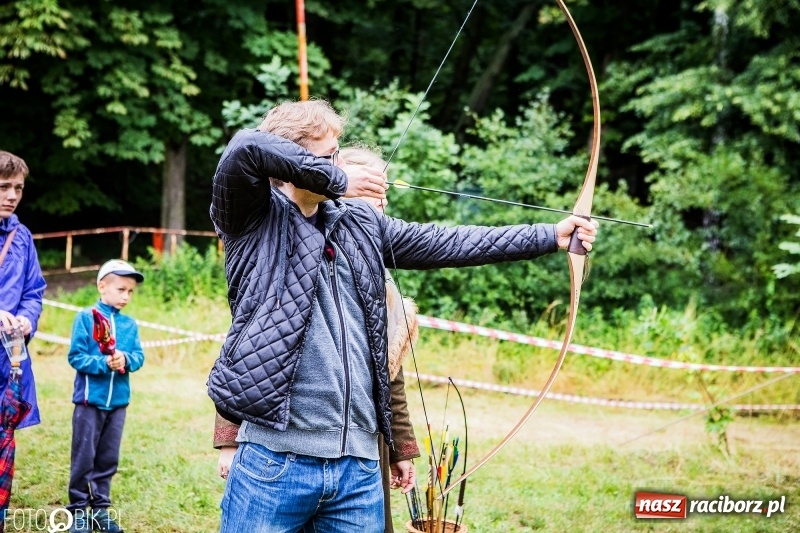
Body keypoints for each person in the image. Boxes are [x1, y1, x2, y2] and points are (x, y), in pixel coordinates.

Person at [207, 99, 598, 533]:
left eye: (338, 156)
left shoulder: (359, 224)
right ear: (291, 161)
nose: (338, 164)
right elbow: (245, 147)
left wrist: (550, 235)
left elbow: (451, 243)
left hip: (357, 467)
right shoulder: (251, 219)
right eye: (327, 157)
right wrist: (339, 180)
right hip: (276, 460)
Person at [212, 145, 422, 533]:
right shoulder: (285, 250)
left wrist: (400, 449)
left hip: (360, 448)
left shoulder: (380, 281)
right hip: (285, 449)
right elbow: (250, 361)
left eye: (383, 194)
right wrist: (229, 440)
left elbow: (389, 378)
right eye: (368, 192)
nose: (379, 204)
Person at [66, 260, 146, 533]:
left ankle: (100, 509)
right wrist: (103, 363)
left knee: (107, 459)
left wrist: (126, 360)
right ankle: (78, 510)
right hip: (89, 403)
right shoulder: (85, 318)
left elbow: (138, 356)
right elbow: (76, 357)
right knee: (83, 458)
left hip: (118, 404)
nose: (126, 296)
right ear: (102, 286)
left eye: (130, 291)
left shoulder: (130, 325)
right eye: (121, 289)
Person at [0, 150, 46, 513]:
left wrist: (28, 317)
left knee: (3, 440)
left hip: (9, 358)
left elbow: (34, 291)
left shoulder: (22, 236)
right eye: (4, 187)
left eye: (18, 188)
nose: (12, 195)